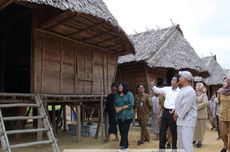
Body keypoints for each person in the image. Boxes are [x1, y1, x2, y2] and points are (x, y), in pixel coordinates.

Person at [151, 75, 180, 150]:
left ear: (178, 82)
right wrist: (153, 86)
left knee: (174, 132)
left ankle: (174, 148)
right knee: (162, 131)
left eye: (174, 80)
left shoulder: (180, 92)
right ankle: (161, 148)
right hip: (165, 112)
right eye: (172, 79)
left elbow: (181, 104)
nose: (172, 81)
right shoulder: (167, 89)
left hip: (173, 113)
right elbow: (157, 90)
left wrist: (176, 110)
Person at [174, 71, 197, 152]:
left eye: (181, 77)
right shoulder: (182, 89)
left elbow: (185, 107)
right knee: (180, 144)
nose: (179, 78)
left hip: (188, 121)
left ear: (186, 79)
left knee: (186, 144)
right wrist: (175, 110)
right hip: (181, 120)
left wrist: (177, 114)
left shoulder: (190, 91)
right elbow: (179, 103)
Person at [114, 82, 135, 151]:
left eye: (120, 86)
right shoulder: (117, 95)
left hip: (127, 116)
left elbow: (131, 104)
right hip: (119, 115)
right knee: (121, 131)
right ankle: (125, 143)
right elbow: (115, 104)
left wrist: (121, 108)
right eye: (118, 86)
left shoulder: (129, 94)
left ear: (124, 87)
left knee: (124, 130)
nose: (119, 87)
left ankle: (124, 147)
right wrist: (116, 108)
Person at [193, 82, 208, 148]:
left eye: (197, 86)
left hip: (202, 115)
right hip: (195, 115)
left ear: (201, 87)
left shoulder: (204, 95)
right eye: (195, 86)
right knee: (195, 129)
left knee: (200, 129)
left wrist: (196, 107)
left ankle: (199, 142)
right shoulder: (195, 95)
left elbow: (205, 103)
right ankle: (195, 139)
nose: (196, 87)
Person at [217, 78, 230, 152]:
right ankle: (225, 145)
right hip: (223, 115)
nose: (224, 83)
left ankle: (228, 147)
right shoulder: (220, 92)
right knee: (223, 133)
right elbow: (218, 101)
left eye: (226, 81)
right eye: (223, 81)